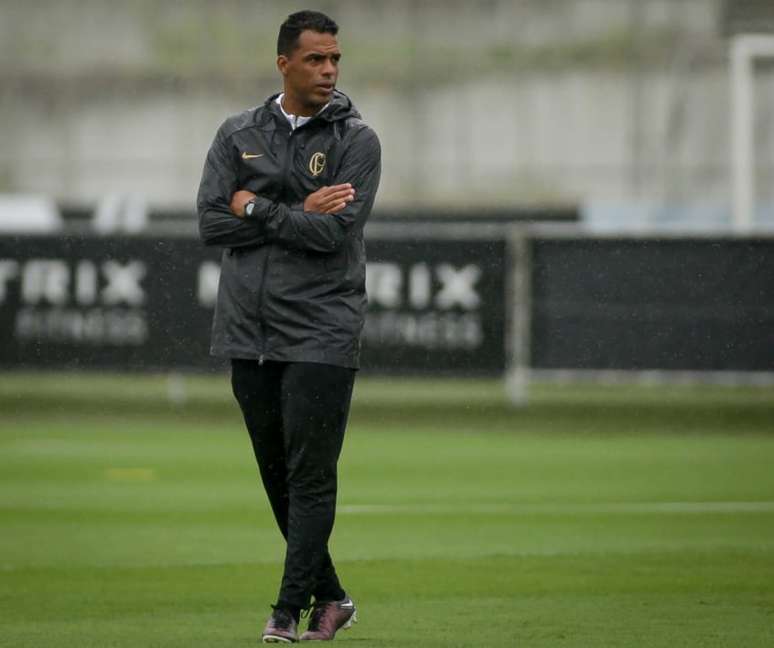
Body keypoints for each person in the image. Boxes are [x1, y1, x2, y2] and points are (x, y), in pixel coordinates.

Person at [196, 9, 381, 644]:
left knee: (309, 475)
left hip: (324, 328)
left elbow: (334, 233)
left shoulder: (358, 140)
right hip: (248, 328)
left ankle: (286, 610)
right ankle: (332, 598)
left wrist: (256, 206)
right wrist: (289, 212)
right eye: (315, 59)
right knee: (276, 474)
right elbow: (210, 223)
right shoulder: (236, 132)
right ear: (284, 63)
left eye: (335, 59)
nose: (329, 70)